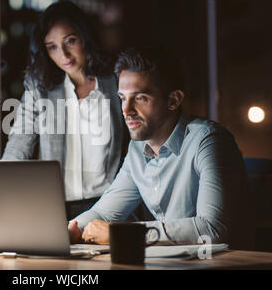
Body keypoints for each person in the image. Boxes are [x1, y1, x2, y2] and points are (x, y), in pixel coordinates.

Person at [68, 47, 254, 250]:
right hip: (174, 263)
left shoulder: (209, 141)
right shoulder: (138, 149)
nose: (127, 110)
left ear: (173, 100)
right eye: (122, 98)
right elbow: (104, 214)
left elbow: (211, 229)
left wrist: (121, 235)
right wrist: (67, 230)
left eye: (140, 98)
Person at [2, 0, 128, 219]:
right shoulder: (39, 88)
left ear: (85, 37)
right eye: (52, 47)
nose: (64, 55)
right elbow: (18, 143)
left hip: (108, 207)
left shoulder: (115, 81)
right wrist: (0, 188)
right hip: (55, 209)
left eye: (70, 41)